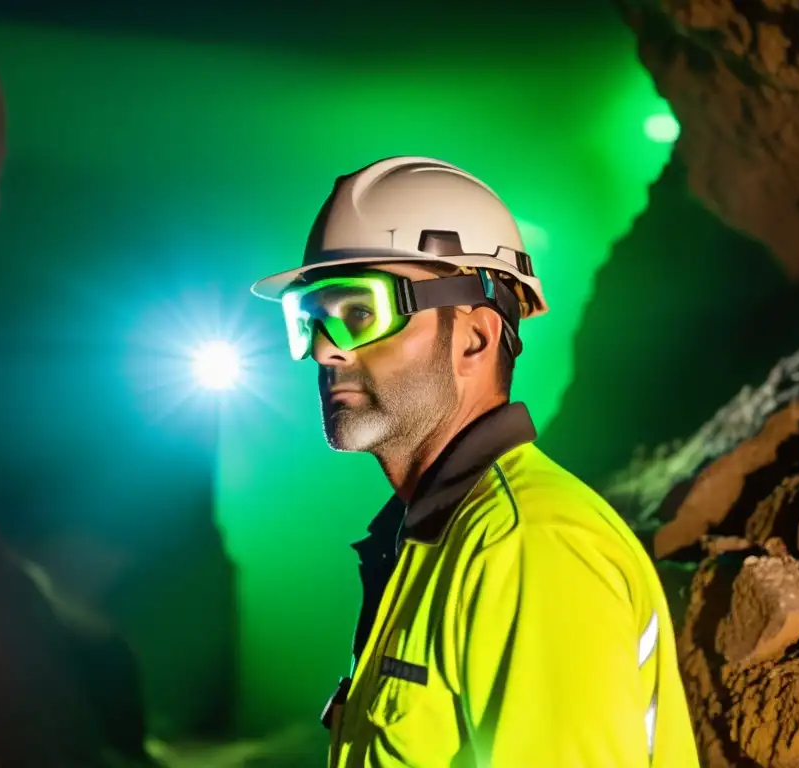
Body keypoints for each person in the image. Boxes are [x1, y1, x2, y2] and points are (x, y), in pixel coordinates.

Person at [250, 156, 699, 767]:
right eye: (311, 321)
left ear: (474, 339)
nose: (325, 350)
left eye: (359, 313)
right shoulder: (435, 537)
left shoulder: (529, 545)